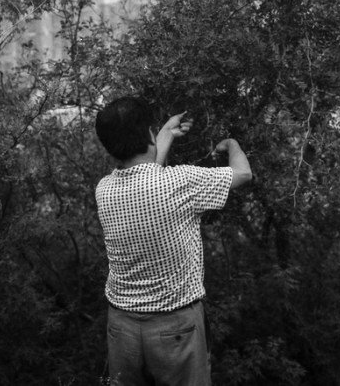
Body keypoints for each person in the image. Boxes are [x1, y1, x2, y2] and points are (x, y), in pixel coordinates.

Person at [95, 96, 252, 386]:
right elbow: (243, 174)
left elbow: (146, 178)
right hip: (174, 327)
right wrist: (232, 144)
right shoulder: (180, 182)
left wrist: (165, 132)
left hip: (122, 328)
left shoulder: (104, 190)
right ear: (148, 134)